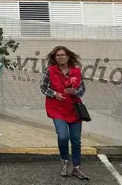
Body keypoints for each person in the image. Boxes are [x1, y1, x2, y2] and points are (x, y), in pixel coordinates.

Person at [41, 46, 89, 180]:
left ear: (68, 57)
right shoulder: (49, 71)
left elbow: (82, 90)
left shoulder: (76, 72)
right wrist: (54, 94)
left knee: (76, 140)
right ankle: (64, 161)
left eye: (63, 55)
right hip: (57, 109)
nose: (60, 57)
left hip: (74, 109)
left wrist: (75, 92)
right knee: (63, 137)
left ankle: (77, 168)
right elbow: (43, 87)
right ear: (54, 58)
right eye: (58, 55)